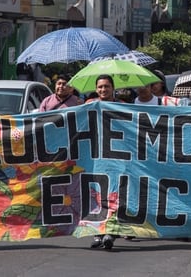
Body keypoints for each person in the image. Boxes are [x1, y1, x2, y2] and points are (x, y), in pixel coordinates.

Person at [87, 75, 122, 250]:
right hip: (95, 159)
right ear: (96, 89)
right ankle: (97, 233)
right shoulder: (88, 106)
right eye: (100, 87)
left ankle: (111, 233)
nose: (103, 90)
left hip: (117, 159)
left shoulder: (122, 107)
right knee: (96, 195)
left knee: (115, 195)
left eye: (106, 86)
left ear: (112, 88)